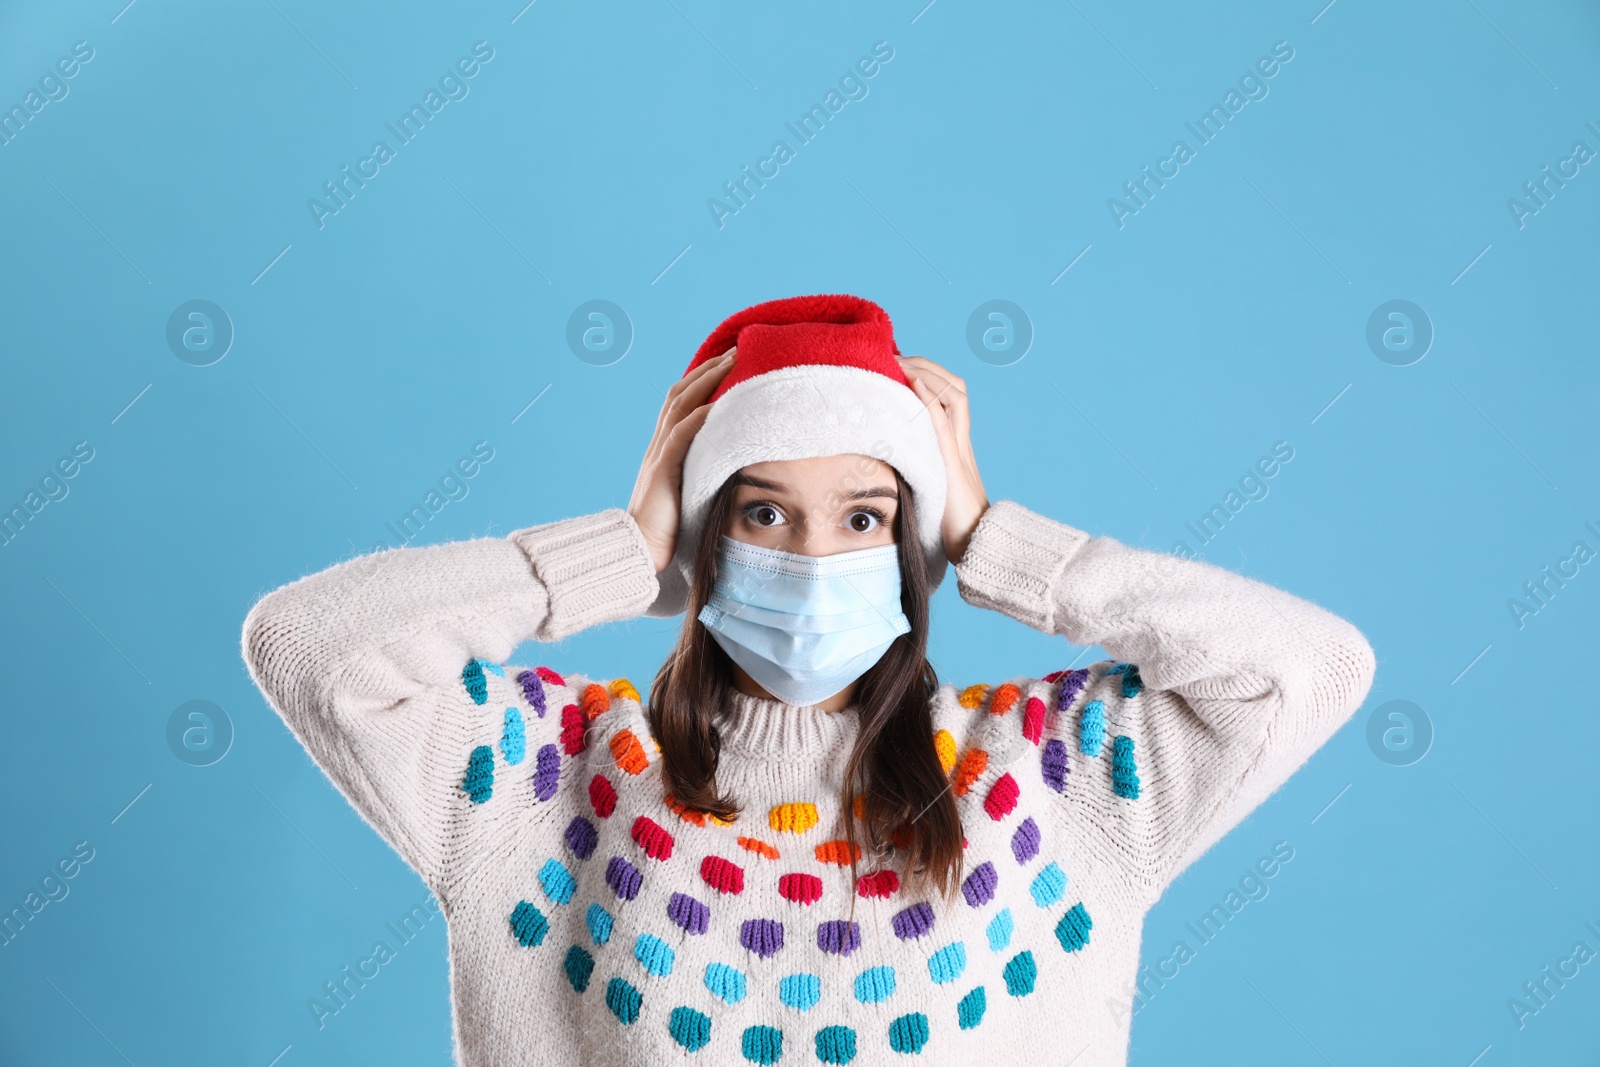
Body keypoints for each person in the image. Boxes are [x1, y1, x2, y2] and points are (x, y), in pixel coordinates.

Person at [242, 294, 1375, 1066]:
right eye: (763, 508)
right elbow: (312, 648)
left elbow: (1305, 667)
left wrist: (997, 542)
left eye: (866, 514)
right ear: (708, 533)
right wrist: (621, 550)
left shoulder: (1048, 773)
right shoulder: (547, 775)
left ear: (910, 543)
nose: (812, 553)